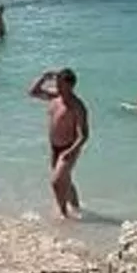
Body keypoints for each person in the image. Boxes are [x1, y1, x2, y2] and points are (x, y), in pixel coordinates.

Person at [30, 68, 89, 219]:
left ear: (70, 85)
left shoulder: (77, 106)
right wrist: (44, 77)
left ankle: (63, 213)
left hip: (68, 148)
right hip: (54, 147)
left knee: (56, 182)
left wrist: (71, 151)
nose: (57, 86)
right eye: (56, 83)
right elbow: (33, 92)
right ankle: (76, 208)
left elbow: (84, 135)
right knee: (65, 180)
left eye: (60, 84)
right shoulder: (55, 97)